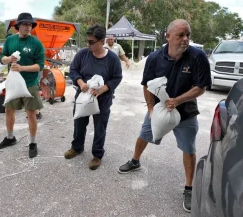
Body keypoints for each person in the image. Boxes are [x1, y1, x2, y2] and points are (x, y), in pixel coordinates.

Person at [118, 19, 211, 213]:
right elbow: (146, 85)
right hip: (159, 108)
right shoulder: (154, 58)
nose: (185, 39)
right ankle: (135, 161)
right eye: (180, 35)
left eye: (188, 35)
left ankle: (189, 187)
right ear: (168, 36)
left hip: (185, 112)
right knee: (144, 134)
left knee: (188, 148)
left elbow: (200, 88)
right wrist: (151, 109)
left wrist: (178, 100)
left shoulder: (198, 56)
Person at [64, 24, 122, 170]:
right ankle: (77, 147)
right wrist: (80, 82)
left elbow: (117, 77)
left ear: (102, 41)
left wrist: (105, 88)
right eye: (87, 41)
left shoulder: (112, 59)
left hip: (102, 99)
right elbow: (73, 70)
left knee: (100, 127)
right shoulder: (83, 54)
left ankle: (97, 155)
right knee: (79, 123)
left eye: (91, 42)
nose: (88, 44)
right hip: (83, 97)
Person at [0, 12, 45, 158]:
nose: (28, 27)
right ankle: (10, 138)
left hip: (30, 83)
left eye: (30, 24)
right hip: (13, 83)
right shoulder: (10, 40)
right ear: (18, 26)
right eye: (25, 24)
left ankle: (33, 143)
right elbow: (1, 57)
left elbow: (40, 66)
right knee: (9, 110)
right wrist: (8, 59)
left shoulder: (36, 43)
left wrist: (22, 68)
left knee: (31, 113)